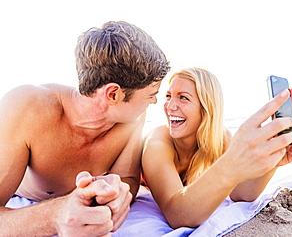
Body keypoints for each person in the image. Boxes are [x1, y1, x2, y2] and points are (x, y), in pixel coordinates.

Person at [0, 21, 170, 236]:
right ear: (113, 94)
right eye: (151, 94)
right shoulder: (26, 108)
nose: (155, 101)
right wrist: (55, 215)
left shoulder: (132, 119)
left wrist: (115, 194)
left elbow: (127, 178)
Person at [142, 67, 292, 229]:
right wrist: (230, 163)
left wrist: (274, 157)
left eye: (183, 97)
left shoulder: (220, 137)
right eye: (168, 96)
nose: (170, 106)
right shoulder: (157, 142)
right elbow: (178, 215)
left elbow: (241, 193)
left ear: (207, 106)